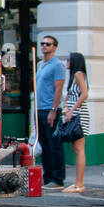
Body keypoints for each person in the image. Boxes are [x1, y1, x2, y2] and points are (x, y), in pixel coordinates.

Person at [34, 35, 66, 188]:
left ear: (54, 47)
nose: (44, 46)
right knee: (44, 145)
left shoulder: (57, 65)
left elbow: (58, 89)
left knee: (54, 145)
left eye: (48, 44)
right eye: (43, 44)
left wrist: (54, 109)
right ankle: (47, 177)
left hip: (49, 108)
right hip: (39, 108)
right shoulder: (41, 64)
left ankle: (57, 178)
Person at [61, 52, 90, 193]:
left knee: (79, 150)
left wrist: (71, 110)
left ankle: (79, 184)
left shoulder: (78, 74)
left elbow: (85, 94)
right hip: (74, 115)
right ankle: (78, 183)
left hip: (79, 116)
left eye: (68, 59)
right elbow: (69, 95)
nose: (67, 62)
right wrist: (66, 107)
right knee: (77, 149)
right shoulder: (74, 76)